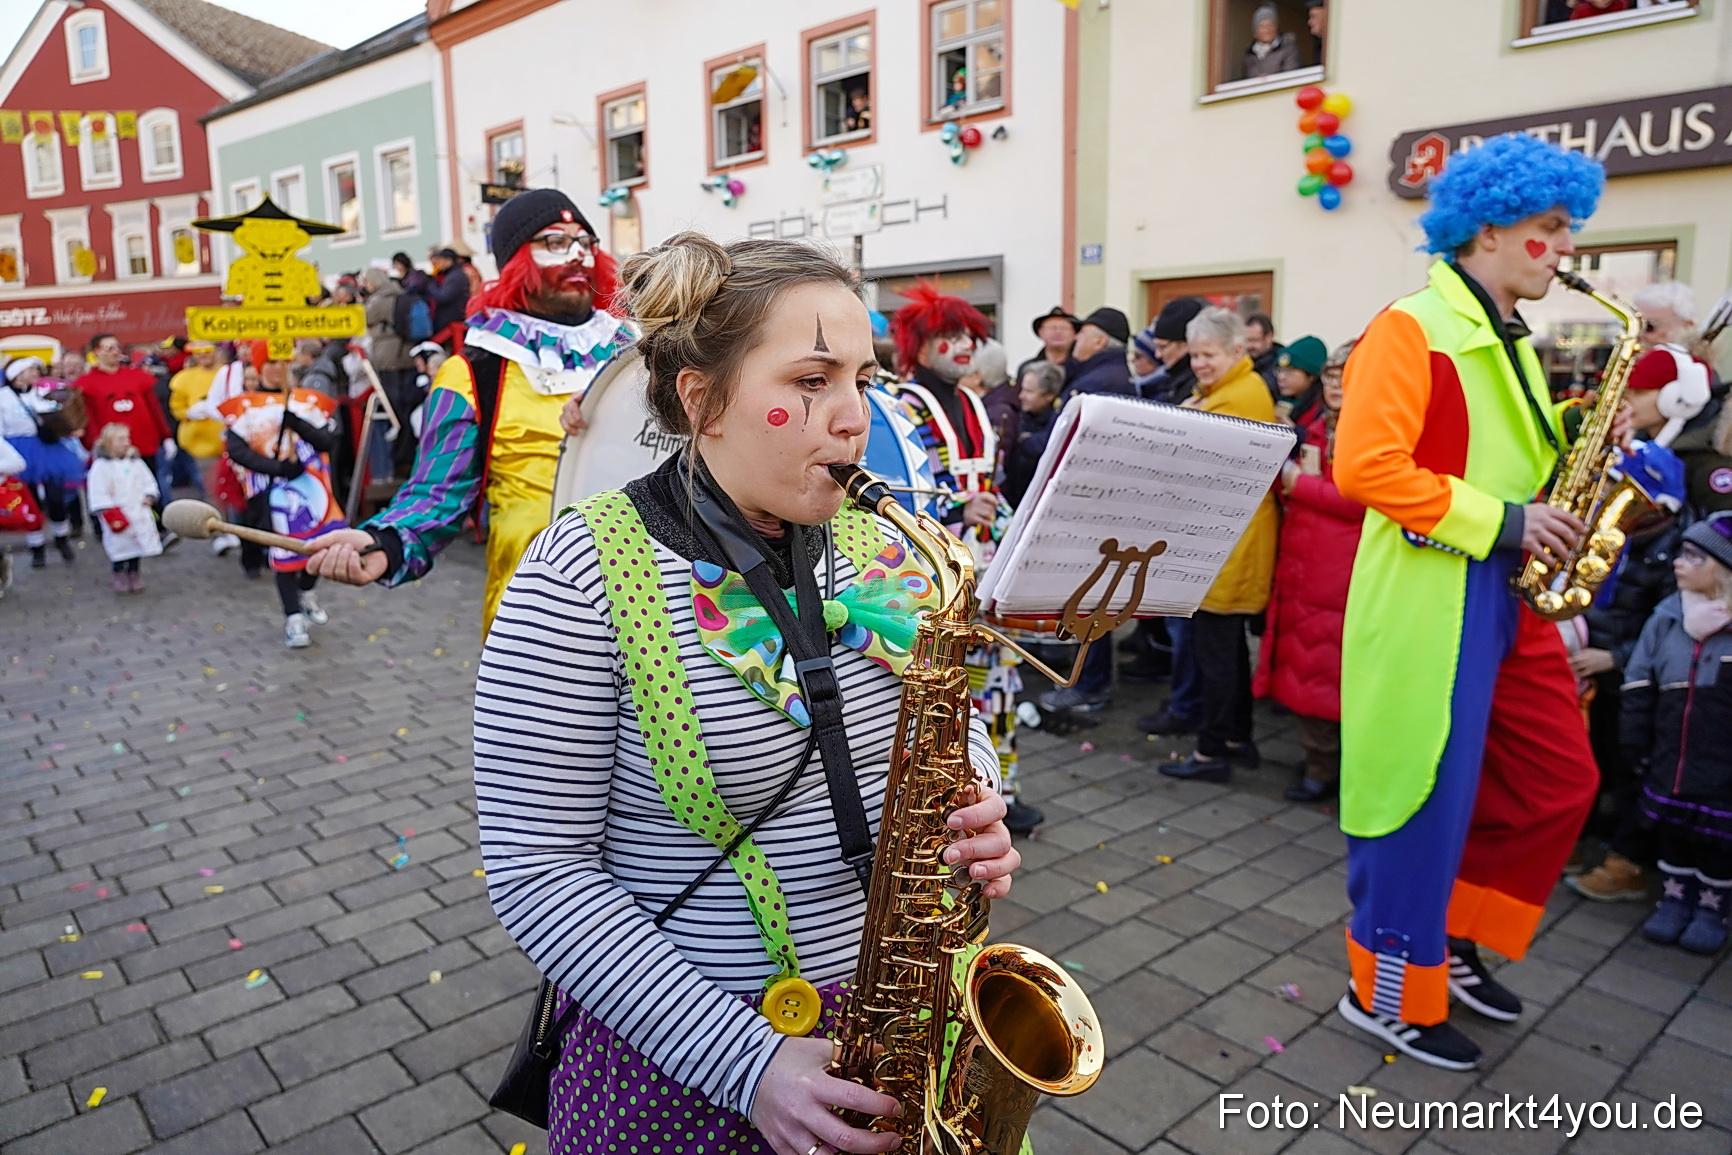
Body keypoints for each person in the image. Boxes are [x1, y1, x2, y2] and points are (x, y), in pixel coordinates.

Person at [473, 230, 1019, 1154]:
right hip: (681, 1051)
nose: (854, 418)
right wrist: (747, 1063)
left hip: (907, 1008)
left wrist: (973, 792)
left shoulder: (886, 543)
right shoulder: (575, 575)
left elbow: (940, 723)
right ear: (703, 399)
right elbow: (539, 872)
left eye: (862, 377)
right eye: (811, 382)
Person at [1330, 133, 1617, 1070]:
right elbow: (1365, 466)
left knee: (1552, 776)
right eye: (1549, 229)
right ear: (1488, 228)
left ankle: (1449, 942)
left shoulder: (1512, 338)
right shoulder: (1409, 326)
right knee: (1419, 798)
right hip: (1432, 594)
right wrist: (1505, 519)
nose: (1562, 248)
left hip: (1508, 592)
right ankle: (1384, 990)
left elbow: (1511, 456)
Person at [305, 189, 626, 633]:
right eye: (555, 242)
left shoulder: (636, 356)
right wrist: (384, 542)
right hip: (541, 616)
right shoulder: (474, 372)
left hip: (659, 616)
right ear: (516, 262)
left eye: (586, 242)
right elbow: (438, 492)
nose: (578, 256)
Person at [890, 287, 1040, 832]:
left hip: (987, 561)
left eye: (968, 338)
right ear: (919, 345)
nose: (961, 349)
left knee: (999, 679)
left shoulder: (977, 403)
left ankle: (1001, 787)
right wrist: (958, 506)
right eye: (946, 338)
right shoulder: (900, 406)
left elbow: (993, 484)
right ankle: (943, 798)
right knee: (946, 688)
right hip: (934, 568)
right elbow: (901, 494)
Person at [1155, 308, 1280, 781]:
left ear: (1237, 351)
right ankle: (1235, 739)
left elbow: (1192, 463)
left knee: (1216, 653)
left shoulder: (1239, 397)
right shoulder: (1223, 392)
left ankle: (1212, 754)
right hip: (1227, 542)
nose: (1200, 364)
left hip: (1230, 547)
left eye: (1209, 355)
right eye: (1196, 354)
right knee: (1224, 651)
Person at [1563, 444, 1685, 901]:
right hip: (1588, 663)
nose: (1607, 496)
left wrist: (1613, 657)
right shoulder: (1609, 533)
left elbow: (1667, 624)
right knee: (1583, 758)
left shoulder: (1672, 548)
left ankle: (1626, 863)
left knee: (1625, 765)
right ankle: (1574, 842)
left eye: (1619, 489)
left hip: (1629, 677)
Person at [1254, 339, 1363, 802]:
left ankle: (1333, 768)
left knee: (1333, 669)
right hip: (1306, 559)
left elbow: (1362, 498)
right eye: (1333, 375)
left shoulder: (1370, 428)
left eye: (1347, 375)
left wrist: (1301, 485)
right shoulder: (1315, 423)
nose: (1337, 384)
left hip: (1342, 565)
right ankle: (1318, 758)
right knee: (1309, 664)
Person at [1624, 512, 1732, 954]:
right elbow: (1639, 675)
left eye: (1694, 557)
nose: (1678, 563)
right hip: (1671, 751)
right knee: (1675, 832)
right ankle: (1674, 896)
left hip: (1721, 762)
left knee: (1717, 842)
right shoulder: (1666, 617)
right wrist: (1634, 739)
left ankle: (1712, 906)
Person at [222, 352, 345, 647]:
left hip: (315, 493)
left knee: (321, 551)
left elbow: (328, 440)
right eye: (270, 362)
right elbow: (238, 451)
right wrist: (278, 468)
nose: (277, 369)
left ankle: (307, 592)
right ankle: (293, 618)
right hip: (273, 494)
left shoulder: (307, 401)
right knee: (284, 556)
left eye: (281, 362)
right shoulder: (245, 407)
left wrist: (299, 425)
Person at [73, 334, 175, 536]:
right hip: (110, 448)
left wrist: (166, 435)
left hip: (143, 441)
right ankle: (110, 526)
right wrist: (92, 444)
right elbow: (87, 416)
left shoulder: (136, 376)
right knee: (112, 488)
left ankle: (158, 527)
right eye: (108, 348)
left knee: (149, 484)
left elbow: (153, 407)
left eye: (116, 347)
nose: (114, 352)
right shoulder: (87, 383)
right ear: (96, 352)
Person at [1, 357, 84, 566]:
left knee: (56, 496)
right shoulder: (2, 398)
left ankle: (61, 538)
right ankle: (36, 546)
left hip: (46, 449)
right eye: (30, 370)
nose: (35, 373)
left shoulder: (40, 393)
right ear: (17, 376)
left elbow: (55, 417)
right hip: (18, 450)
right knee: (29, 501)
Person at [86, 422, 162, 593]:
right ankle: (119, 572)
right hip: (116, 513)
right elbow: (97, 490)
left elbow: (147, 480)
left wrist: (149, 495)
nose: (126, 442)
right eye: (121, 439)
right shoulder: (101, 467)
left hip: (138, 510)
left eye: (127, 438)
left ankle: (134, 572)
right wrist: (106, 509)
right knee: (120, 545)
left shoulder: (135, 462)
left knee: (137, 544)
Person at [361, 267, 421, 477]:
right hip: (406, 352)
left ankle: (400, 455)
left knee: (394, 405)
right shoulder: (400, 293)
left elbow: (362, 318)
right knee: (406, 402)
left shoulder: (378, 300)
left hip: (389, 356)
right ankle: (407, 453)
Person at [1003, 359, 1064, 508]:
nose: (1021, 396)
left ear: (1049, 395)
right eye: (1022, 390)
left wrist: (1026, 442)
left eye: (1029, 392)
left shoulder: (1059, 422)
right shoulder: (1018, 417)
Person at [1132, 298, 1204, 406]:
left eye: (1162, 347)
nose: (1158, 355)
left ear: (1186, 345)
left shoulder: (1198, 383)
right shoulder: (1170, 382)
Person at [1061, 307, 1135, 401]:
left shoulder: (1096, 384)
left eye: (1082, 332)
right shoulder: (1106, 375)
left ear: (1099, 342)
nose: (1076, 337)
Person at [1015, 305, 1079, 384]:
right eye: (1052, 328)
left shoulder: (1082, 367)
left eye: (1063, 328)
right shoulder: (1027, 368)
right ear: (1040, 333)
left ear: (1075, 335)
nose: (1058, 332)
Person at [1273, 335, 1328, 426]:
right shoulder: (1283, 400)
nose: (1281, 377)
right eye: (1279, 370)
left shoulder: (1321, 410)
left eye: (1289, 371)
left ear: (1311, 375)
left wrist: (1295, 432)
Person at [428, 247, 473, 350]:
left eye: (441, 261)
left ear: (449, 260)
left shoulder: (455, 276)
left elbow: (443, 297)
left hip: (451, 319)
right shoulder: (453, 274)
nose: (439, 264)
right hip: (451, 318)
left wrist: (431, 286)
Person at [1244, 4, 1301, 78]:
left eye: (1270, 25)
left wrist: (1270, 79)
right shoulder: (1249, 55)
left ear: (1276, 28)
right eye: (1262, 26)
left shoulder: (1288, 48)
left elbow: (1290, 75)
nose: (1267, 30)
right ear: (1255, 32)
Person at [1245, 313, 1284, 396]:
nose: (1249, 346)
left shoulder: (1282, 363)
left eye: (1254, 340)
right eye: (1246, 341)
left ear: (1269, 337)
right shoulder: (1243, 362)